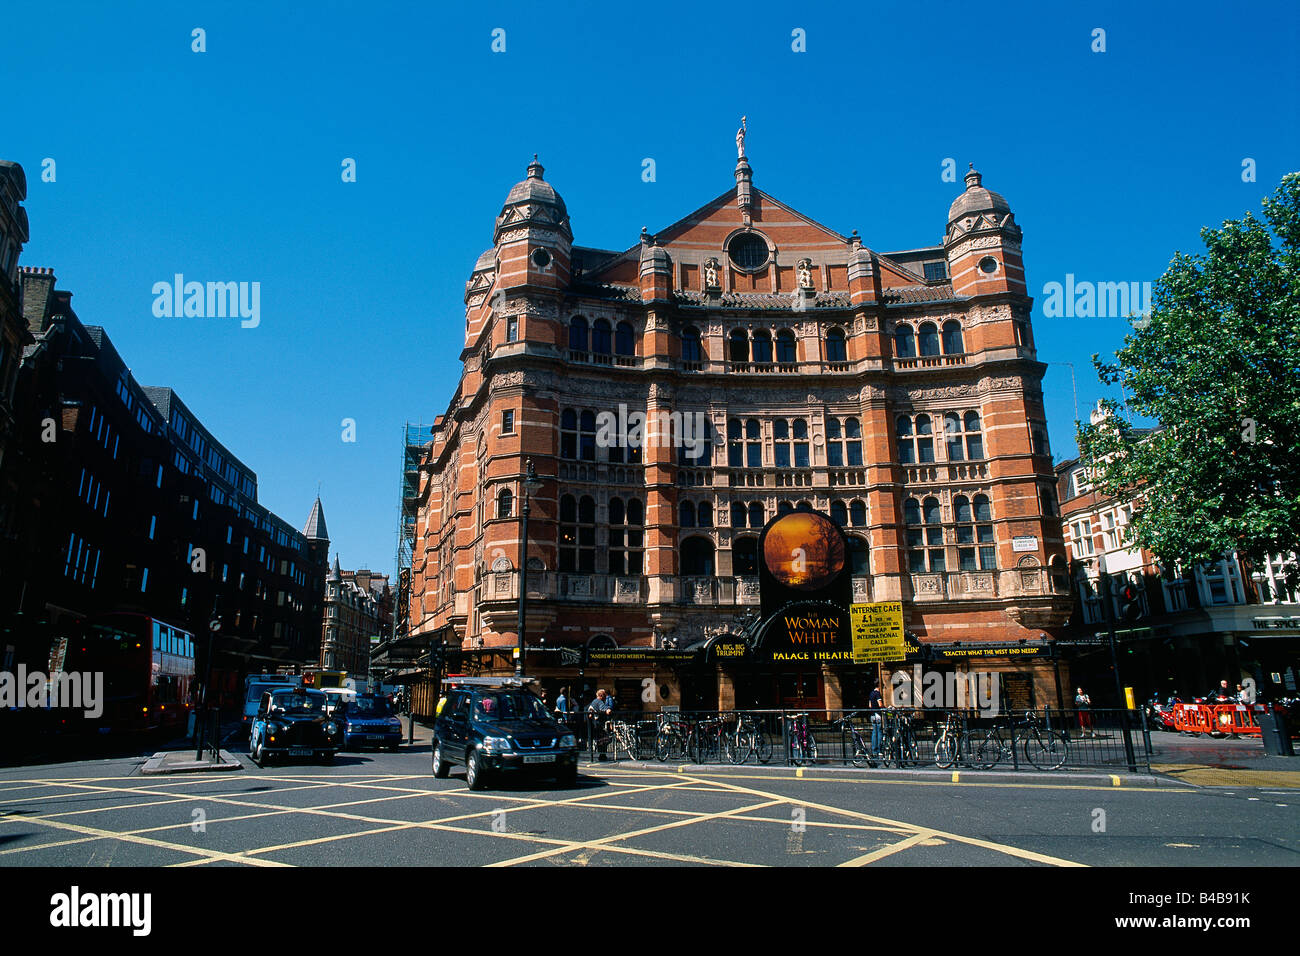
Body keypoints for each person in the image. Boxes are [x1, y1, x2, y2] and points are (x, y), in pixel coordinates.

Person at [587, 689, 613, 759]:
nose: (605, 698)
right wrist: (608, 709)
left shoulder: (594, 701)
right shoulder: (599, 701)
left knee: (601, 740)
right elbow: (602, 708)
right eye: (605, 696)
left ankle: (602, 755)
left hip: (594, 724)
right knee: (605, 739)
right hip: (598, 724)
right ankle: (602, 755)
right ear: (602, 696)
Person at [867, 682, 885, 760]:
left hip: (872, 714)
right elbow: (880, 704)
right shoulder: (877, 693)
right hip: (877, 713)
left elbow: (870, 705)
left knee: (874, 732)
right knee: (879, 731)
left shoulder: (871, 693)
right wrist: (885, 707)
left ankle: (874, 750)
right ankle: (879, 749)